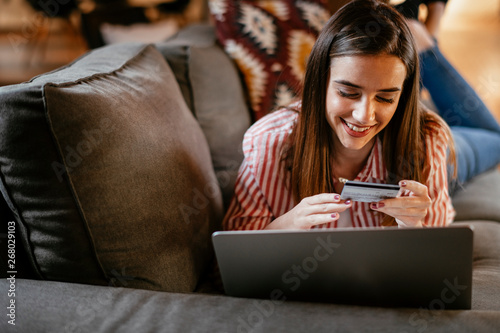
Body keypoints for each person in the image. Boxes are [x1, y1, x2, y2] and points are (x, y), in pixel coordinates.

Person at [223, 0, 500, 231]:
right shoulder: (269, 143)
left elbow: (437, 262)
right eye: (348, 93)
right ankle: (421, 32)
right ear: (321, 83)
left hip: (436, 147)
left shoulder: (429, 140)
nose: (364, 116)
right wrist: (285, 225)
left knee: (496, 139)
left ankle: (423, 41)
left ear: (402, 98)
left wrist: (413, 228)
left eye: (386, 97)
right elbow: (225, 266)